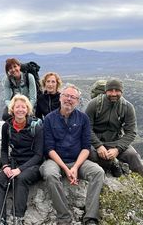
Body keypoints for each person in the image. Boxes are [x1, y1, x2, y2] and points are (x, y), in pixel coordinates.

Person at [40, 84, 105, 225]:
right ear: (60, 97)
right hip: (55, 160)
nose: (69, 99)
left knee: (98, 172)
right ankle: (64, 217)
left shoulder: (83, 119)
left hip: (77, 160)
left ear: (77, 101)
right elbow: (49, 148)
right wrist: (65, 168)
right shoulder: (50, 119)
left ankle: (90, 218)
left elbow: (86, 147)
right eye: (67, 96)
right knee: (50, 175)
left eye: (73, 97)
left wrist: (75, 167)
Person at [0, 94, 43, 225]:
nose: (20, 109)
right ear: (12, 109)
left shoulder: (36, 126)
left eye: (23, 107)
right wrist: (5, 166)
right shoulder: (7, 127)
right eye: (17, 107)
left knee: (20, 179)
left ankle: (18, 217)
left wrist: (20, 170)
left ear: (27, 109)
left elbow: (38, 155)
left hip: (32, 164)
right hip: (14, 163)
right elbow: (4, 150)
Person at [85, 79, 143, 178]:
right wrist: (98, 146)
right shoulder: (94, 104)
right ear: (105, 91)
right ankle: (114, 164)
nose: (114, 94)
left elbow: (131, 132)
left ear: (121, 92)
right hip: (95, 142)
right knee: (88, 153)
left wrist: (117, 149)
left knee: (132, 155)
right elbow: (86, 128)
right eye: (110, 90)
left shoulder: (127, 107)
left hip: (115, 141)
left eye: (117, 91)